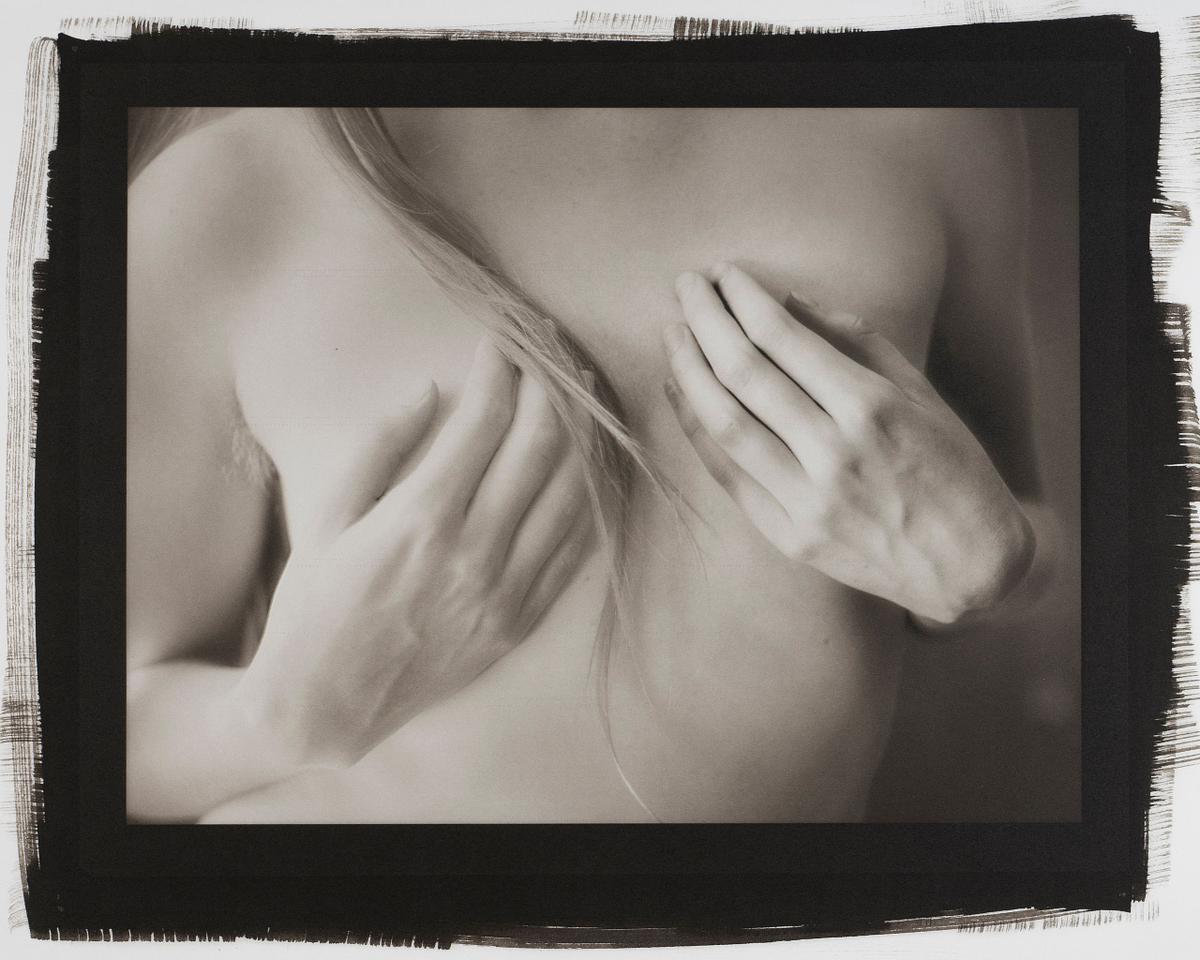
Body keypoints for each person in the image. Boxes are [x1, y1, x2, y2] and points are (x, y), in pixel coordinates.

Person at [127, 107, 1058, 823]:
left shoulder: (930, 123)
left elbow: (1033, 533)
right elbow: (92, 753)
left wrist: (996, 572)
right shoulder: (225, 188)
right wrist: (280, 718)